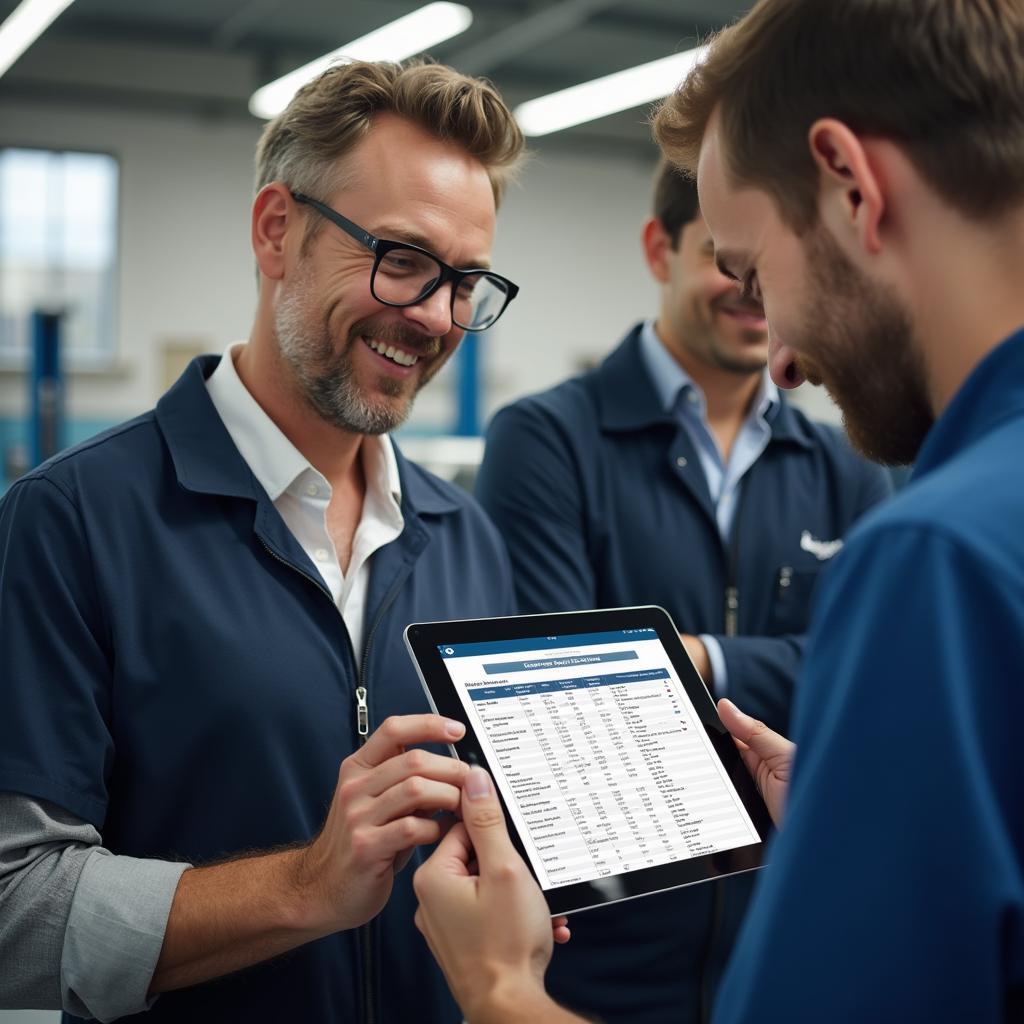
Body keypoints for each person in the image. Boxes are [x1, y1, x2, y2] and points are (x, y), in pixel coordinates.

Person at [413, 0, 1024, 1020]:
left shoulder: (940, 557)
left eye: (756, 268)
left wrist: (496, 986)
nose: (778, 351)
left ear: (849, 188)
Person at [0, 59, 525, 1023]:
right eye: (401, 258)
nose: (435, 317)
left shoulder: (467, 536)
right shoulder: (73, 520)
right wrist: (305, 888)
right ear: (277, 229)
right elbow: (12, 917)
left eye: (464, 281)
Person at [475, 158, 890, 1021]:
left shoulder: (844, 461)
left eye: (770, 266)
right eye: (724, 260)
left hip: (787, 938)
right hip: (600, 949)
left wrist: (700, 659)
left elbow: (873, 681)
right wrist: (787, 670)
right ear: (658, 247)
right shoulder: (547, 439)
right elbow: (565, 694)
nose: (753, 291)